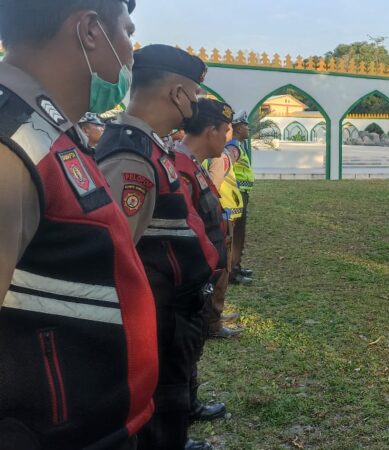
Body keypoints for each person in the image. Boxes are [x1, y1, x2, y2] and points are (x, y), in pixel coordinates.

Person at [0, 1, 159, 449]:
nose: (131, 53)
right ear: (91, 30)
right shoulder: (12, 140)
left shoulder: (52, 130)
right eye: (127, 32)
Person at [94, 44, 219, 450]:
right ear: (176, 94)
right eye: (194, 95)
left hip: (172, 313)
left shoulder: (153, 147)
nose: (196, 104)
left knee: (172, 403)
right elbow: (114, 255)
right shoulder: (132, 155)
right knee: (160, 411)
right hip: (157, 317)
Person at [174, 99, 236, 441]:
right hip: (184, 282)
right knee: (177, 355)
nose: (227, 139)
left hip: (200, 278)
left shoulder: (193, 164)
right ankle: (176, 426)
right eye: (225, 131)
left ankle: (189, 404)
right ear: (211, 130)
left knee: (190, 349)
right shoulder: (180, 166)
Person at [205, 136, 246, 338]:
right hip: (222, 218)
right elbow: (213, 187)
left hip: (225, 216)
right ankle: (213, 321)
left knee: (224, 268)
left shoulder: (222, 155)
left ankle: (216, 313)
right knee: (222, 269)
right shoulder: (220, 158)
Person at [228, 111, 256, 284]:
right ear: (238, 129)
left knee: (240, 234)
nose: (248, 128)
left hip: (241, 194)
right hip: (235, 195)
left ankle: (236, 266)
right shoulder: (233, 148)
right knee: (235, 235)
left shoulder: (239, 146)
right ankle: (232, 272)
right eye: (245, 126)